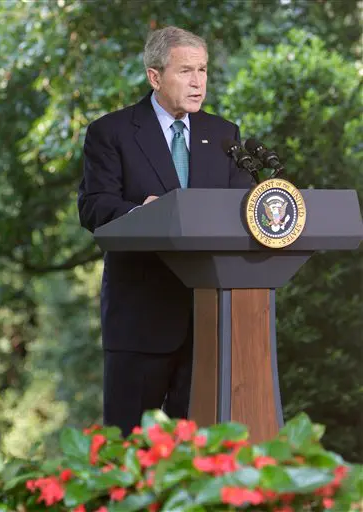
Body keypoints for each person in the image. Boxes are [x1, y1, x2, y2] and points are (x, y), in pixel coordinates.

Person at [78, 26, 253, 436]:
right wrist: (143, 211)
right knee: (128, 452)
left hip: (209, 319)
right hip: (140, 320)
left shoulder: (224, 135)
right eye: (186, 71)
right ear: (155, 77)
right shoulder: (111, 133)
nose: (198, 82)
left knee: (195, 457)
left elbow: (240, 208)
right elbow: (93, 207)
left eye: (203, 70)